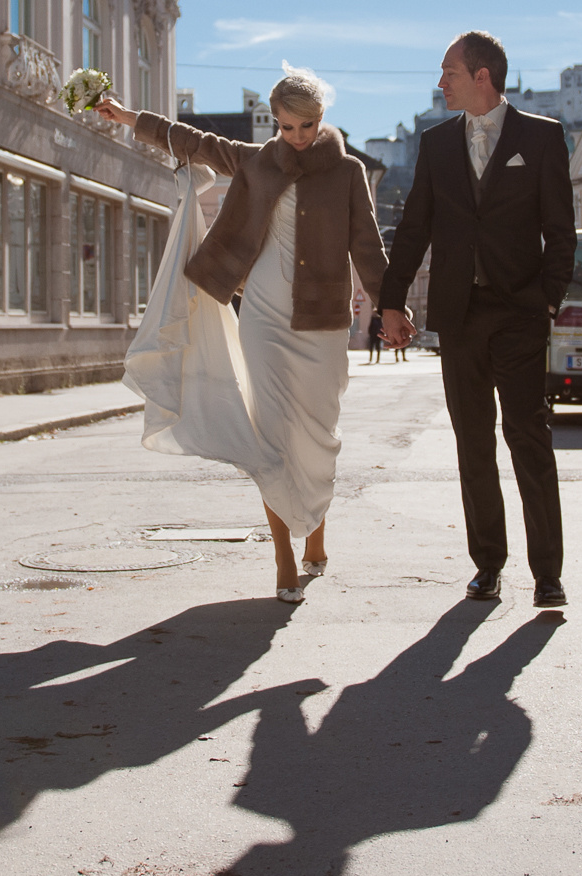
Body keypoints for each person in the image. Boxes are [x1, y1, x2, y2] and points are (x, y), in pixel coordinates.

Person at [98, 70, 388, 604]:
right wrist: (130, 118)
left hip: (323, 320)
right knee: (273, 436)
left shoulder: (347, 173)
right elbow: (195, 142)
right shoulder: (257, 159)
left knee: (317, 437)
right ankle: (283, 558)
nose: (298, 136)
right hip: (264, 315)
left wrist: (390, 306)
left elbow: (367, 244)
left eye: (307, 125)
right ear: (276, 123)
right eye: (287, 126)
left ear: (322, 119)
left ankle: (315, 533)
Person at [379, 32, 576, 610]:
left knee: (528, 439)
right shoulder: (437, 144)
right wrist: (392, 301)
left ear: (482, 75)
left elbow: (560, 231)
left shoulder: (541, 138)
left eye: (449, 72)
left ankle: (547, 574)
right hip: (460, 316)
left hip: (520, 314)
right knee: (473, 445)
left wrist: (546, 300)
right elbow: (414, 226)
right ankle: (488, 565)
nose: (441, 83)